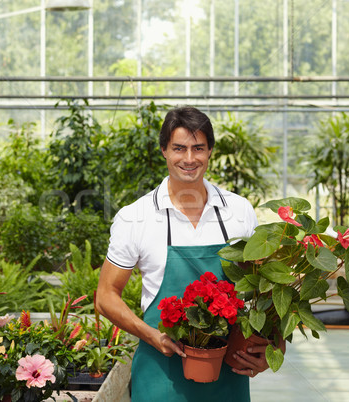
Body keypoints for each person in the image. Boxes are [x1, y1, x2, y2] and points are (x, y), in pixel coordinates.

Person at [95, 106, 272, 402]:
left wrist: (270, 349)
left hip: (227, 376)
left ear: (211, 151)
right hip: (159, 375)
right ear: (163, 150)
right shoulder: (135, 217)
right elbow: (105, 295)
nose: (189, 159)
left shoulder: (239, 212)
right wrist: (151, 335)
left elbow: (264, 289)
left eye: (198, 148)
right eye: (179, 148)